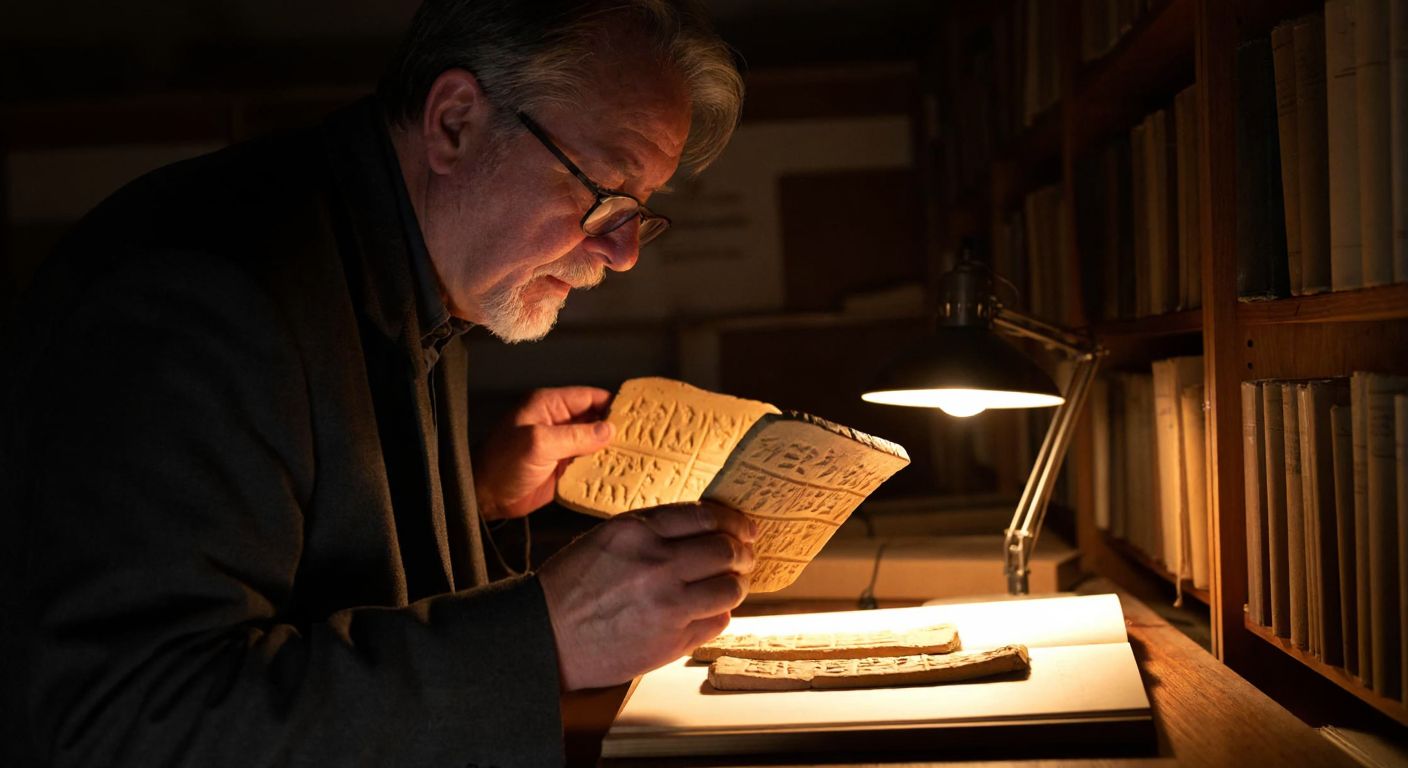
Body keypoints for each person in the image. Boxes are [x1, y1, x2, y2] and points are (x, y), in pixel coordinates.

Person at [0, 1, 749, 765]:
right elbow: (131, 723)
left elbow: (303, 565)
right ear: (454, 123)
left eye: (640, 211)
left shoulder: (409, 259)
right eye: (604, 191)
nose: (622, 253)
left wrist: (479, 498)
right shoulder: (203, 292)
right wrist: (544, 636)